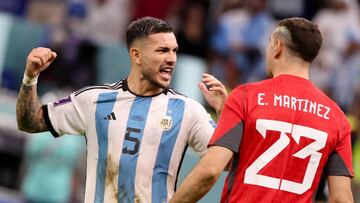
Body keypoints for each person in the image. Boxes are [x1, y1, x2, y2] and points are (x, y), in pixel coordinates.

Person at [16, 17, 227, 202]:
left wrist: (226, 113)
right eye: (162, 50)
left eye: (174, 51)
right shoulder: (95, 99)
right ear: (136, 55)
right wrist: (30, 77)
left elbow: (225, 164)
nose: (172, 58)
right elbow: (30, 122)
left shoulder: (189, 110)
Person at [171, 17, 354, 203]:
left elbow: (210, 171)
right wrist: (226, 113)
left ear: (277, 46)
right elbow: (341, 198)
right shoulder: (336, 117)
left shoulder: (246, 96)